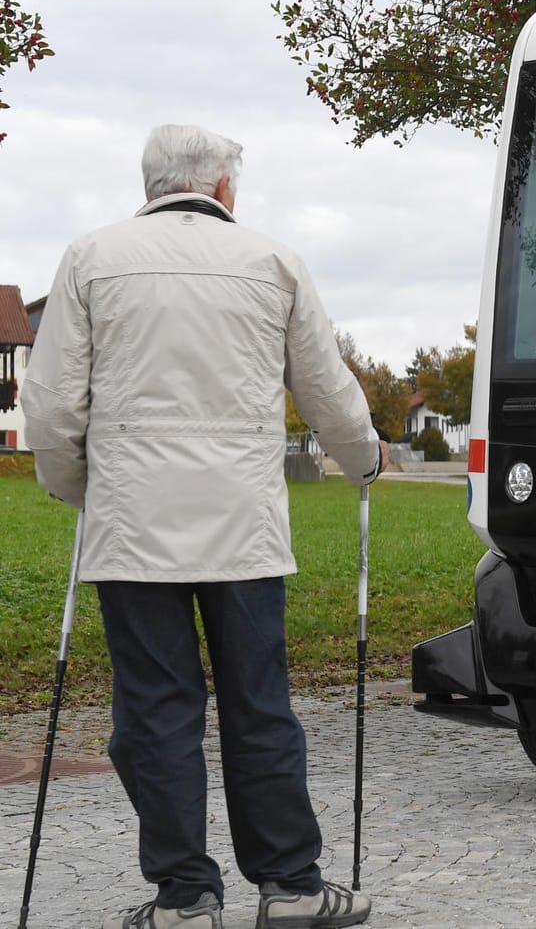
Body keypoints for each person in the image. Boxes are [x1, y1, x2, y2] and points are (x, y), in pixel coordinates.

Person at [23, 125, 385, 929]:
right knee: (260, 703)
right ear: (223, 188)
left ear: (151, 185)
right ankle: (291, 884)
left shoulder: (90, 257)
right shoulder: (273, 261)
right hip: (243, 528)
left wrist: (79, 486)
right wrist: (363, 459)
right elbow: (325, 385)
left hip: (133, 527)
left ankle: (185, 898)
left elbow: (49, 405)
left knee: (155, 710)